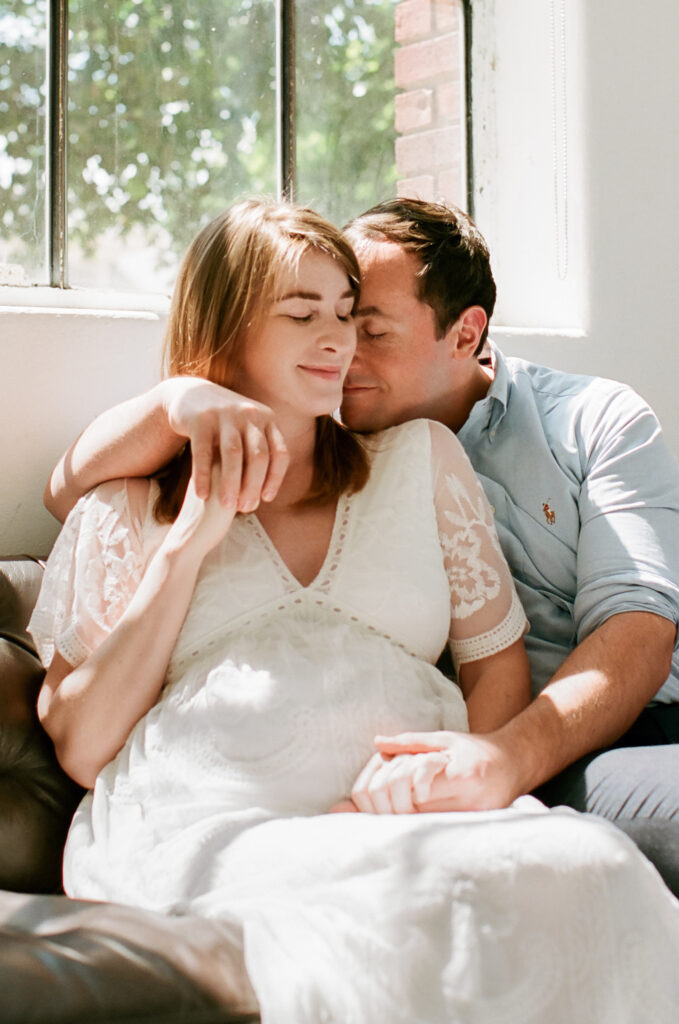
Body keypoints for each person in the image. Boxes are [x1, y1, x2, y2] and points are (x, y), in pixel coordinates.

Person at [31, 198, 679, 1023]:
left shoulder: (448, 453)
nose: (341, 342)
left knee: (591, 873)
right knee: (368, 930)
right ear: (225, 332)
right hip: (221, 819)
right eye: (308, 315)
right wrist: (187, 528)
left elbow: (571, 643)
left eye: (357, 317)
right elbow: (84, 745)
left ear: (465, 333)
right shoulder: (127, 500)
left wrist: (482, 768)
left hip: (481, 783)